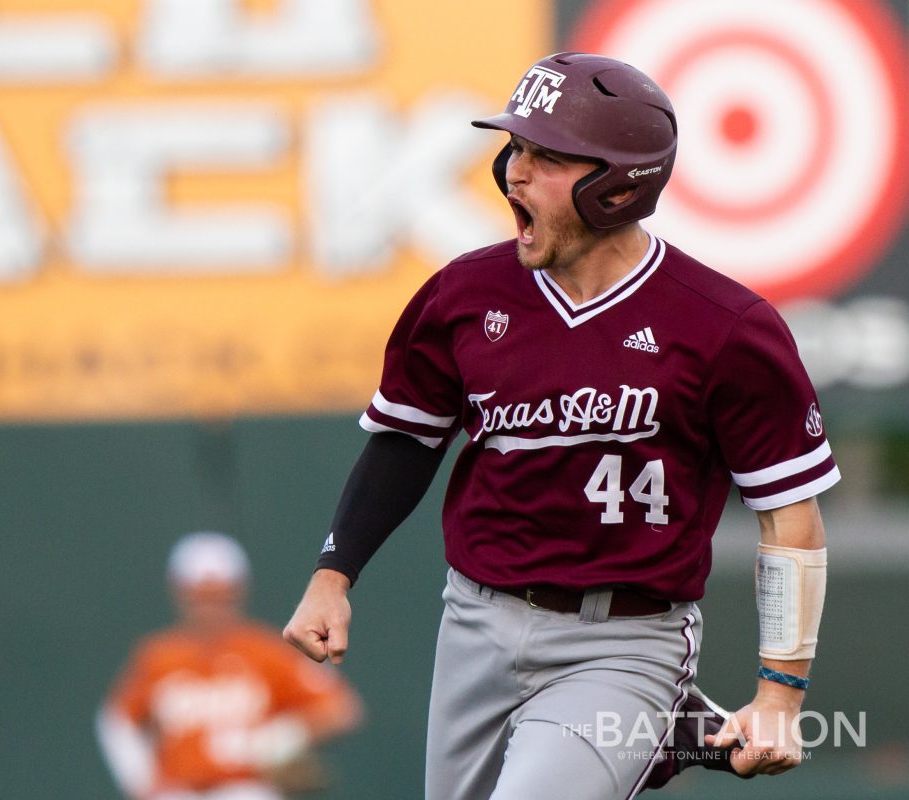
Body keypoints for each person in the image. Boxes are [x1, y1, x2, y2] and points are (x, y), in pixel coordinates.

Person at [283, 52, 838, 800]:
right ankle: (665, 736)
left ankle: (651, 716)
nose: (514, 170)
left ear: (618, 185)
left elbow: (791, 520)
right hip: (475, 621)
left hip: (623, 637)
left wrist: (780, 694)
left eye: (545, 156)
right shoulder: (465, 294)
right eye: (516, 148)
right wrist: (332, 576)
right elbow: (407, 441)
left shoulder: (724, 328)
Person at [98, 531, 363, 800]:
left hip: (247, 789)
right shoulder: (158, 656)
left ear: (239, 592)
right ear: (179, 594)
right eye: (200, 596)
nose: (209, 608)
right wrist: (142, 781)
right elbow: (118, 721)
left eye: (219, 596)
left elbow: (340, 708)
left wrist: (281, 738)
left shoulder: (267, 651)